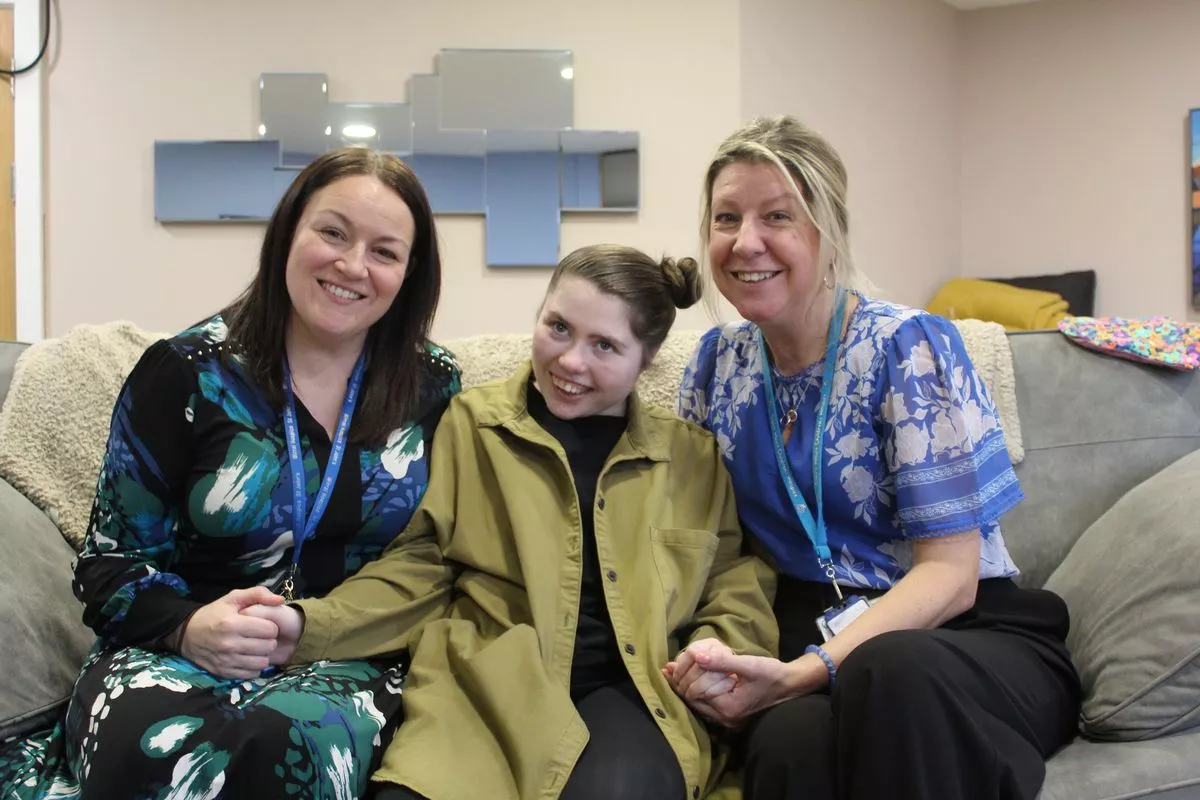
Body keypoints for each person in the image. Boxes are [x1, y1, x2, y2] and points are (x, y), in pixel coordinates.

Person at [0, 147, 461, 799]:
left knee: (288, 745)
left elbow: (440, 559)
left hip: (350, 656)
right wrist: (189, 628)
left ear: (410, 274)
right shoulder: (184, 372)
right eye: (332, 232)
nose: (352, 265)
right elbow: (111, 564)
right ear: (288, 234)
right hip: (179, 645)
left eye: (384, 252)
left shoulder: (435, 390)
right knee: (144, 743)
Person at [250, 244, 779, 800]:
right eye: (558, 327)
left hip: (633, 689)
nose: (571, 361)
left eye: (605, 346)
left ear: (646, 359)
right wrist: (310, 624)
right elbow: (423, 565)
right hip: (487, 691)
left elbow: (732, 582)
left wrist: (720, 649)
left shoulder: (691, 456)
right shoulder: (473, 425)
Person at [666, 116, 1082, 800]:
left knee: (891, 671)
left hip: (963, 638)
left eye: (777, 216)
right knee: (788, 747)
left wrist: (804, 672)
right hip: (811, 633)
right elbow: (691, 541)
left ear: (828, 231)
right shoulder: (717, 367)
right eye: (725, 218)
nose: (745, 242)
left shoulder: (906, 349)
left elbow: (953, 577)